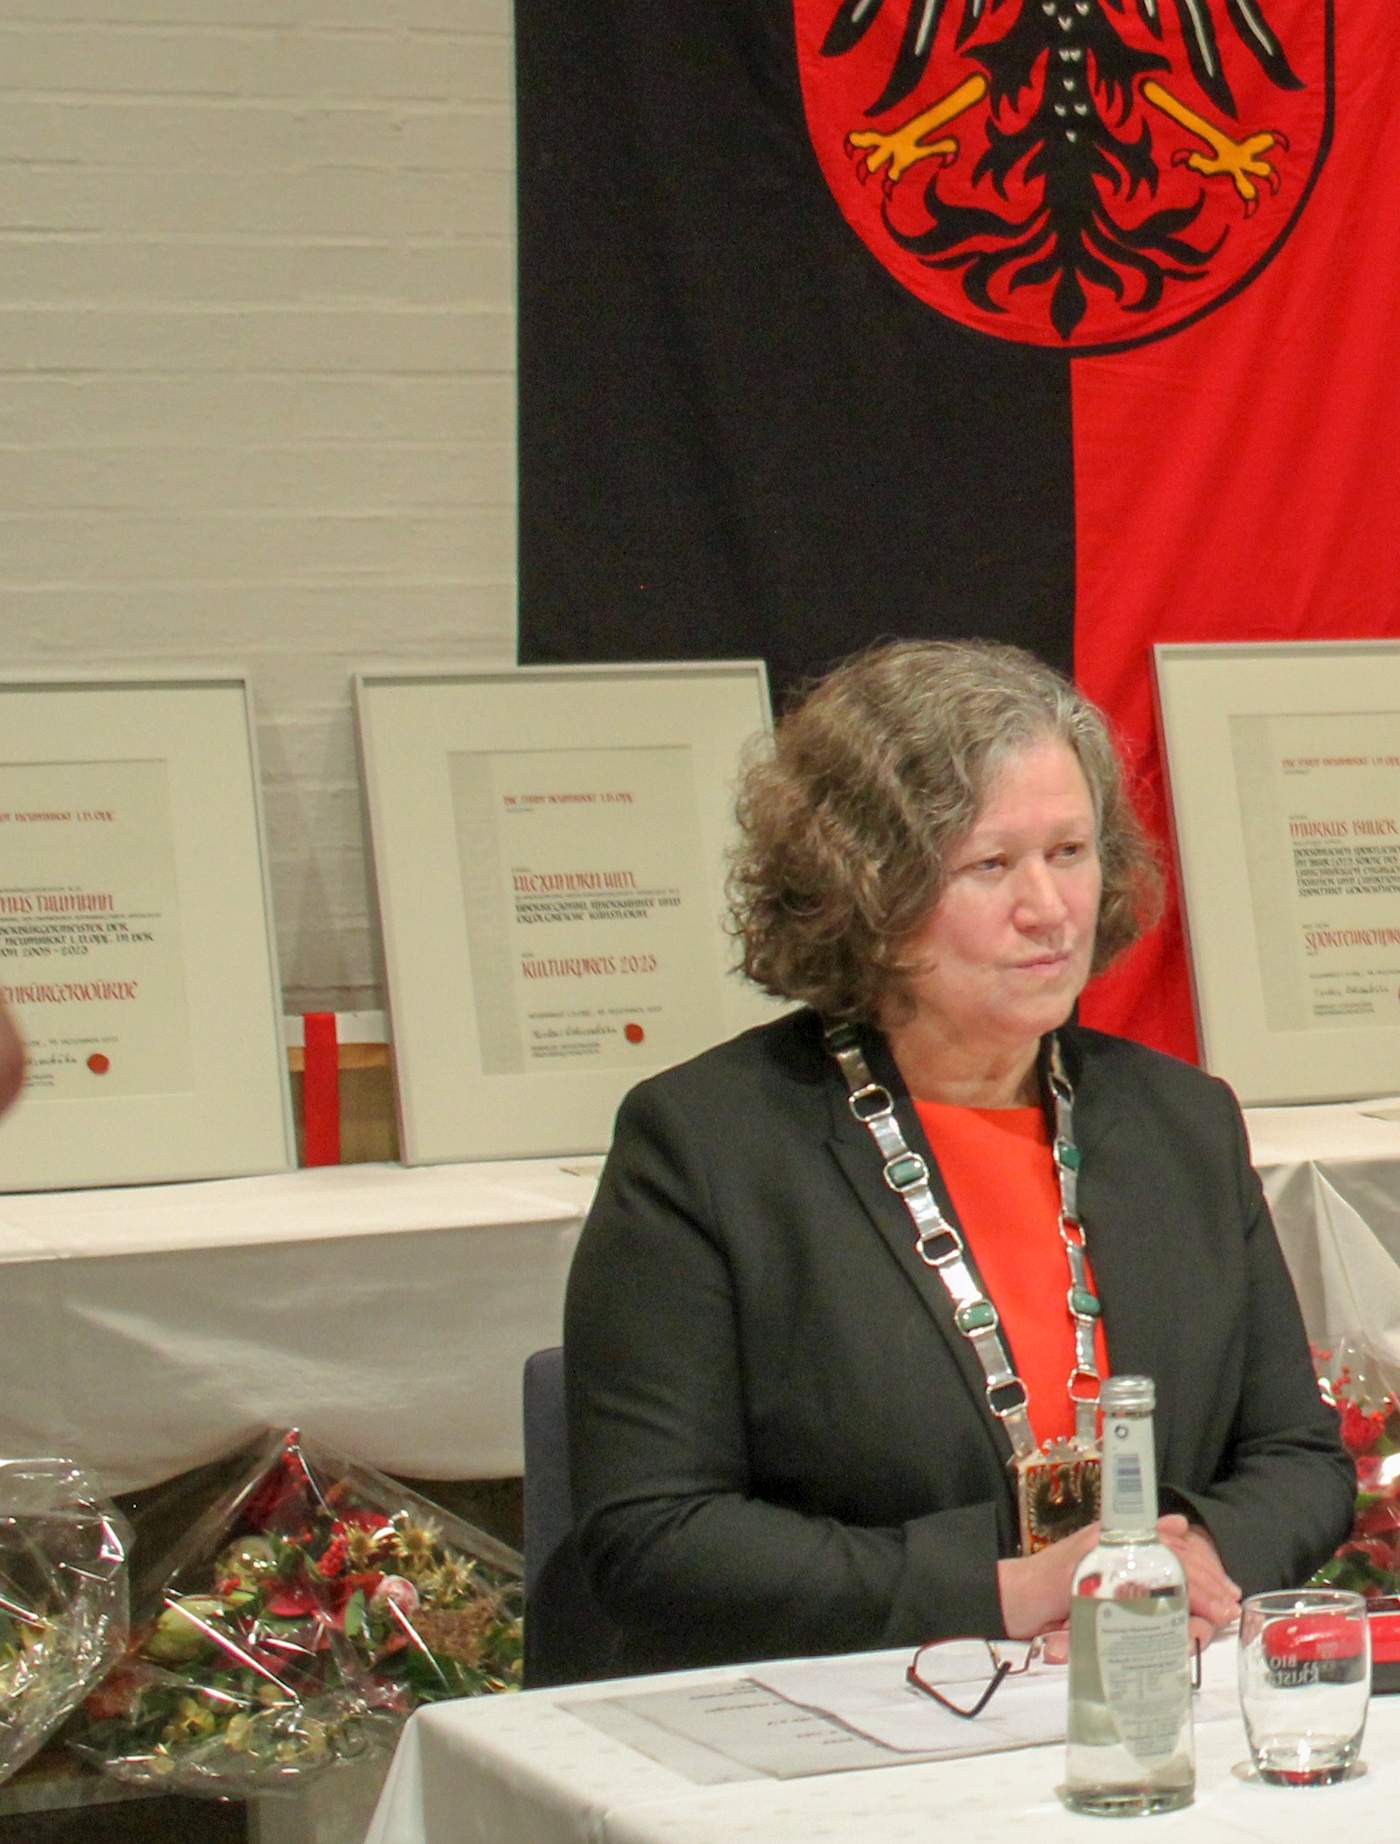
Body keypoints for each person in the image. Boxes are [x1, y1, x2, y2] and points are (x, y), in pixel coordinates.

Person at [541, 640, 1352, 1683]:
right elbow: (656, 1538)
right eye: (989, 864)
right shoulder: (706, 1145)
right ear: (864, 888)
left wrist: (1182, 1557)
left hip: (1150, 1677)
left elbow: (1297, 1456)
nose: (1048, 908)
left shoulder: (1180, 1119)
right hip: (845, 1712)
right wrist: (1009, 1589)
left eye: (1068, 851)